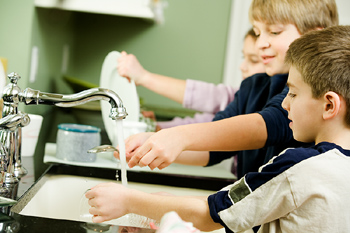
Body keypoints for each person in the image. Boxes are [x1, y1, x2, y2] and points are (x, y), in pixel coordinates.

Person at [86, 25, 350, 232]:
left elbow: (209, 215)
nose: (286, 104)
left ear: (329, 105)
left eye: (292, 94)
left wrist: (129, 201)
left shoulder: (295, 166)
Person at [118, 0, 339, 178]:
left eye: (273, 32)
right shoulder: (253, 87)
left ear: (313, 36)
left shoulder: (313, 94)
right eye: (257, 31)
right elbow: (211, 148)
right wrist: (151, 148)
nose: (261, 42)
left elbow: (266, 125)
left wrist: (178, 136)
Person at [117, 28, 265, 130]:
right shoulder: (245, 98)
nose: (242, 66)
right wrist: (156, 127)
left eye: (253, 60)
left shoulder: (269, 103)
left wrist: (144, 77)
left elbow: (214, 96)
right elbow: (206, 123)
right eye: (243, 57)